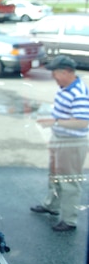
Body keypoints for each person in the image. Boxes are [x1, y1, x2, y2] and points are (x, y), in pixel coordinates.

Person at [32, 55, 89, 232]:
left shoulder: (78, 92)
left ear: (65, 72)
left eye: (56, 73)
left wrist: (54, 122)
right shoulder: (65, 87)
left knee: (70, 181)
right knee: (55, 175)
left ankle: (69, 220)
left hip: (71, 142)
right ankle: (51, 205)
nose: (54, 77)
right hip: (60, 139)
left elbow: (82, 121)